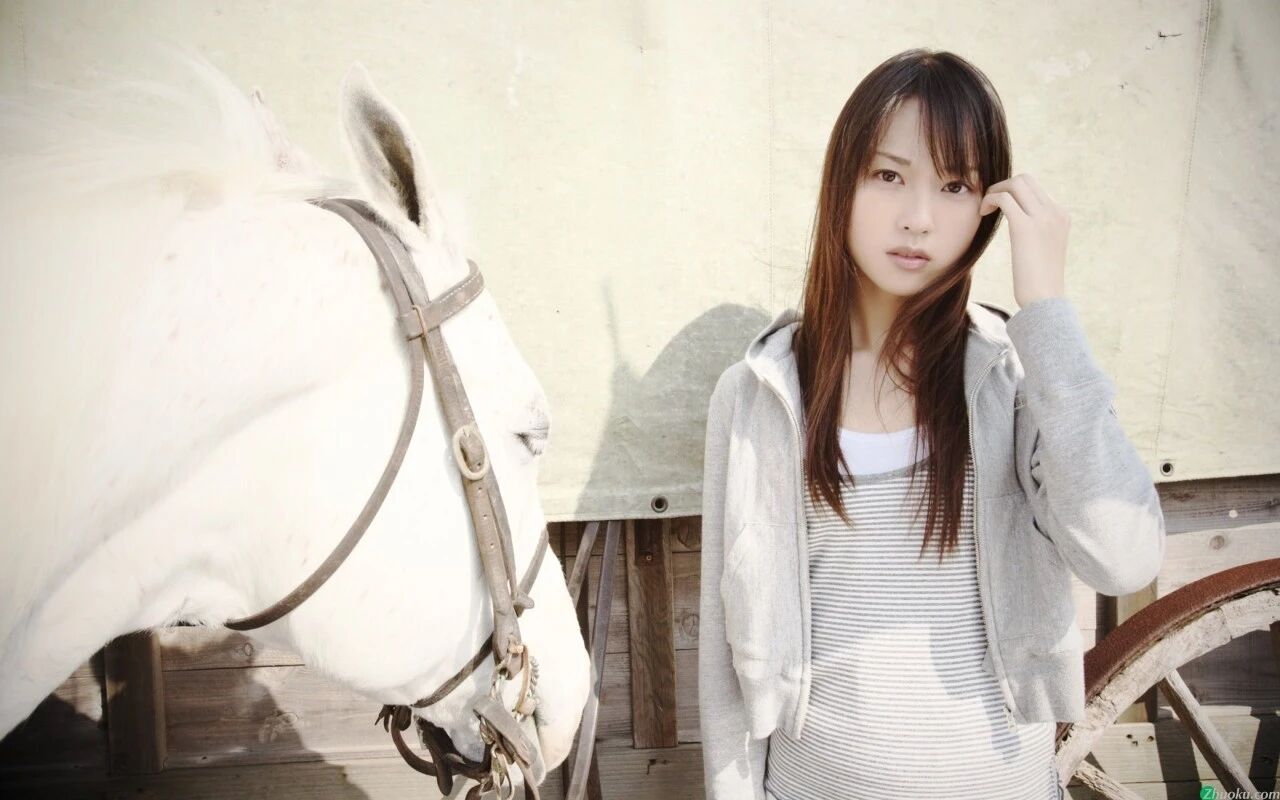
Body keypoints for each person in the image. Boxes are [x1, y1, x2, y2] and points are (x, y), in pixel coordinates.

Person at [697, 48, 1166, 800]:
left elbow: (1125, 558)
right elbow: (724, 665)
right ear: (842, 184)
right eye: (889, 176)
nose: (918, 218)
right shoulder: (759, 395)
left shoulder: (1018, 381)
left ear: (987, 206)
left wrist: (1047, 308)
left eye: (954, 186)